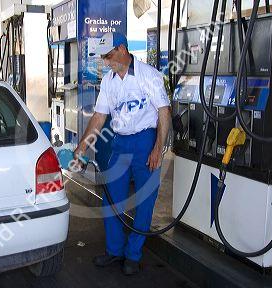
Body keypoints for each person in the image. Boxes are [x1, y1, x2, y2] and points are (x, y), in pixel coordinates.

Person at [74, 32, 171, 275]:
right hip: (120, 143)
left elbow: (164, 112)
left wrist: (158, 148)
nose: (106, 62)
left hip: (145, 141)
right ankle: (114, 251)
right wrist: (81, 148)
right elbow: (99, 117)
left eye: (109, 56)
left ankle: (133, 255)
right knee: (111, 199)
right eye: (104, 58)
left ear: (122, 48)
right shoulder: (109, 81)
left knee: (145, 200)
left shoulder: (148, 75)